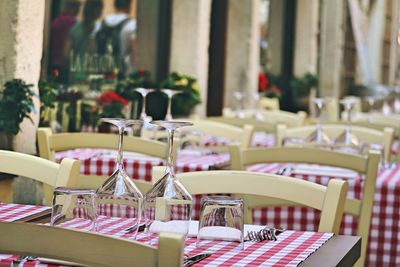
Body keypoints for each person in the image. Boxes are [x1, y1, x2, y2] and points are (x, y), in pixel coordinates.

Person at [95, 0, 136, 76]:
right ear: (129, 6)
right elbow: (134, 51)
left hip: (103, 70)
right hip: (123, 72)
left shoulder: (102, 23)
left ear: (115, 5)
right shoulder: (132, 24)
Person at [68, 0, 104, 81]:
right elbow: (92, 50)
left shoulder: (75, 28)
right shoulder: (98, 29)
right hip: (92, 74)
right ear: (98, 11)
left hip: (75, 73)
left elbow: (66, 54)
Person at [50, 0, 81, 83]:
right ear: (74, 7)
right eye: (78, 7)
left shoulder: (56, 21)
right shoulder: (73, 24)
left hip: (53, 62)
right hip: (66, 64)